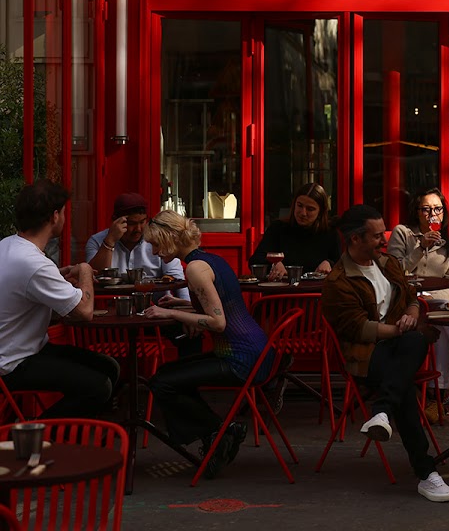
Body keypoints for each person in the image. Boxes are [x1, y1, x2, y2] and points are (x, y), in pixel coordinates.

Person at [322, 204, 449, 503]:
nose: (383, 240)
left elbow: (411, 298)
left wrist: (411, 314)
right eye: (376, 236)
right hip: (366, 356)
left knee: (415, 342)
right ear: (355, 239)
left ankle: (382, 411)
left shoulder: (388, 263)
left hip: (400, 348)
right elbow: (358, 328)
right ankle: (426, 473)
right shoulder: (338, 282)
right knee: (404, 386)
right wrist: (398, 329)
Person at [143, 210, 270, 479]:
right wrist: (180, 303)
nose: (154, 251)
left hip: (241, 359)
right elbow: (219, 307)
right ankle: (219, 433)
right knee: (167, 377)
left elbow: (218, 322)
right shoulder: (210, 260)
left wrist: (169, 313)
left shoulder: (195, 269)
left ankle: (218, 433)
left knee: (163, 382)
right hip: (255, 351)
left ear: (169, 238)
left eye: (155, 244)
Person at [0, 180, 120, 418]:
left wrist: (57, 277)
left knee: (108, 367)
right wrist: (85, 270)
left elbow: (27, 291)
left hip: (23, 349)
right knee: (99, 387)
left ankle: (89, 435)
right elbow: (84, 312)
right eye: (65, 212)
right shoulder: (35, 263)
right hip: (13, 362)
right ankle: (32, 435)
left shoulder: (8, 246)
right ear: (55, 216)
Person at [386, 187, 449, 415]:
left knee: (442, 318)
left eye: (438, 209)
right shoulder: (403, 234)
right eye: (426, 209)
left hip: (434, 304)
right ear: (417, 212)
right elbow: (394, 271)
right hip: (404, 304)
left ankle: (435, 396)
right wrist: (421, 247)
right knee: (444, 317)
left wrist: (435, 300)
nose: (433, 215)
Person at [86, 192, 190, 301]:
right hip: (113, 305)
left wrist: (186, 305)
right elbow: (93, 276)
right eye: (132, 223)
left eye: (142, 222)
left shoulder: (158, 240)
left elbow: (177, 280)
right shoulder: (97, 241)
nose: (138, 229)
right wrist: (110, 241)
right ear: (116, 221)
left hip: (156, 306)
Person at [250, 182, 340, 281]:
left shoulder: (330, 233)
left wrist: (329, 263)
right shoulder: (278, 228)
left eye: (310, 209)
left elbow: (342, 264)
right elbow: (255, 260)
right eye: (299, 206)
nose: (303, 213)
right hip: (282, 288)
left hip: (316, 289)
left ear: (320, 212)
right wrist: (273, 263)